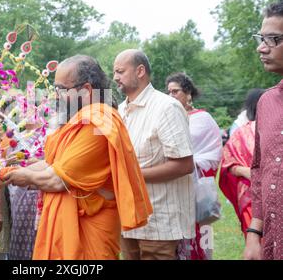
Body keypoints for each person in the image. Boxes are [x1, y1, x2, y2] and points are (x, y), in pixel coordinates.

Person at [2, 55, 153, 260]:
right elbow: (56, 164)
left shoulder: (99, 123)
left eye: (62, 90)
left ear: (87, 90)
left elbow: (56, 178)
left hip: (89, 233)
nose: (57, 96)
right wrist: (18, 168)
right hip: (72, 222)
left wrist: (17, 176)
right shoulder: (80, 119)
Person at [113, 49, 195, 260]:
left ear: (140, 71)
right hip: (127, 219)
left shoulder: (166, 107)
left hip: (159, 221)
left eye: (120, 71)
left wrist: (131, 174)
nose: (115, 78)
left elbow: (184, 165)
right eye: (115, 72)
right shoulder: (120, 111)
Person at [166, 72, 223, 260]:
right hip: (174, 189)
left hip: (196, 190)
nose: (171, 96)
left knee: (201, 234)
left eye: (175, 91)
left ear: (188, 92)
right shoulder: (169, 119)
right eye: (168, 92)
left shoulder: (202, 119)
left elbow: (211, 153)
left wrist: (186, 163)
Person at [244, 0, 283, 260]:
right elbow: (259, 171)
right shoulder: (267, 102)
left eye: (272, 39)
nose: (261, 48)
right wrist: (254, 234)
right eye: (261, 38)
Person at [219, 88, 265, 237]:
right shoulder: (240, 132)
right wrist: (246, 171)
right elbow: (228, 163)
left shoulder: (277, 129)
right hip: (250, 194)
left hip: (275, 193)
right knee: (256, 240)